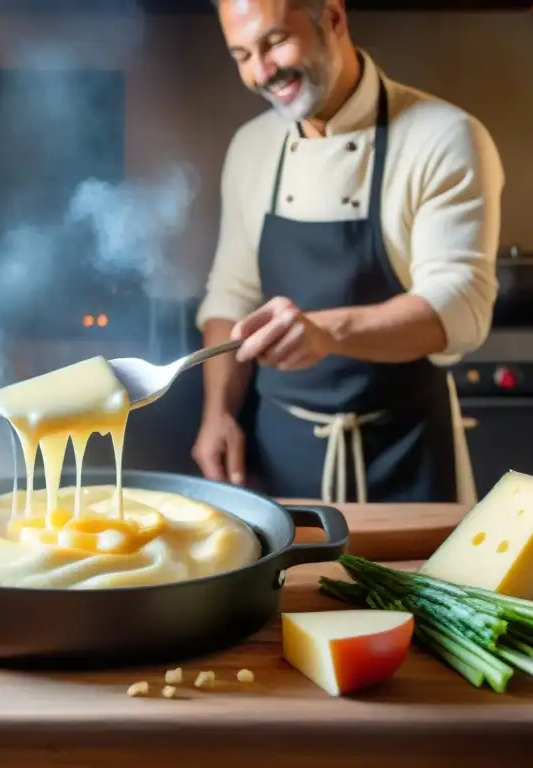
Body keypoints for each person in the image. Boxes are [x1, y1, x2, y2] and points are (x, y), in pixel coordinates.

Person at [192, 0, 504, 505]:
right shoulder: (251, 147)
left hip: (406, 456)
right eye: (242, 54)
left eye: (273, 43)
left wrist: (325, 333)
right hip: (279, 458)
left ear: (333, 18)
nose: (260, 72)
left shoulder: (442, 137)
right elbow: (232, 293)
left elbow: (461, 305)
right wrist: (218, 415)